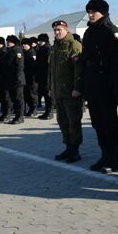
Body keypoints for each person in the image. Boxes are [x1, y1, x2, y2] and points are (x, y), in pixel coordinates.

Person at [82, 0, 118, 174]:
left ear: (103, 13)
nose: (90, 15)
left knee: (109, 123)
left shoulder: (111, 31)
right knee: (97, 122)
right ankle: (104, 154)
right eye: (89, 12)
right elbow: (85, 60)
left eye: (94, 12)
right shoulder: (89, 32)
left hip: (106, 84)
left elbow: (116, 63)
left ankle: (113, 159)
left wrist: (114, 86)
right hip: (92, 83)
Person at [48, 20, 84, 163]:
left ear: (66, 29)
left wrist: (77, 88)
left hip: (71, 92)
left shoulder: (73, 45)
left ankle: (75, 150)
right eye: (55, 30)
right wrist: (51, 88)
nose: (57, 32)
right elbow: (51, 71)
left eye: (59, 29)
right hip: (59, 92)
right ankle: (68, 148)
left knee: (73, 121)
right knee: (62, 121)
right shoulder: (54, 47)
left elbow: (79, 69)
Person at [3, 35, 26, 124]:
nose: (7, 43)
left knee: (18, 99)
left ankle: (20, 116)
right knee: (13, 98)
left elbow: (19, 66)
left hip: (17, 80)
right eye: (7, 41)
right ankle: (17, 115)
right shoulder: (8, 51)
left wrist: (17, 78)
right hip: (10, 79)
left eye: (9, 41)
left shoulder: (17, 51)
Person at [36, 33, 53, 120]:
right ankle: (47, 112)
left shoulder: (48, 49)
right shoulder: (41, 48)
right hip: (42, 75)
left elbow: (49, 63)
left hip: (47, 75)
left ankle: (49, 112)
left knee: (48, 96)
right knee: (45, 95)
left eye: (40, 41)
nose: (38, 42)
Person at [0, 36, 12, 121]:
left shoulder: (6, 52)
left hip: (5, 77)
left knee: (6, 97)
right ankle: (4, 112)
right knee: (1, 96)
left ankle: (7, 113)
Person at [21, 38, 38, 117]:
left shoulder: (32, 52)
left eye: (25, 44)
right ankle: (30, 108)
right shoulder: (23, 52)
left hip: (32, 77)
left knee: (32, 94)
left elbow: (33, 66)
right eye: (23, 44)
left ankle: (34, 109)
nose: (24, 45)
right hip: (25, 77)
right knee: (27, 94)